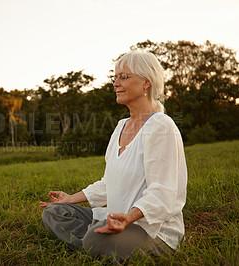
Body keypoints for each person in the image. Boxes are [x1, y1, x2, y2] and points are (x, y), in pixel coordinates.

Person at [39, 50, 187, 261]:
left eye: (123, 77)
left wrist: (129, 218)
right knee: (55, 213)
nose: (115, 83)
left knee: (95, 239)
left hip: (151, 229)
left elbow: (163, 193)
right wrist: (71, 199)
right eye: (114, 77)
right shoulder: (120, 127)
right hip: (116, 218)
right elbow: (109, 183)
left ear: (147, 82)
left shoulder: (161, 126)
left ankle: (94, 242)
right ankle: (96, 238)